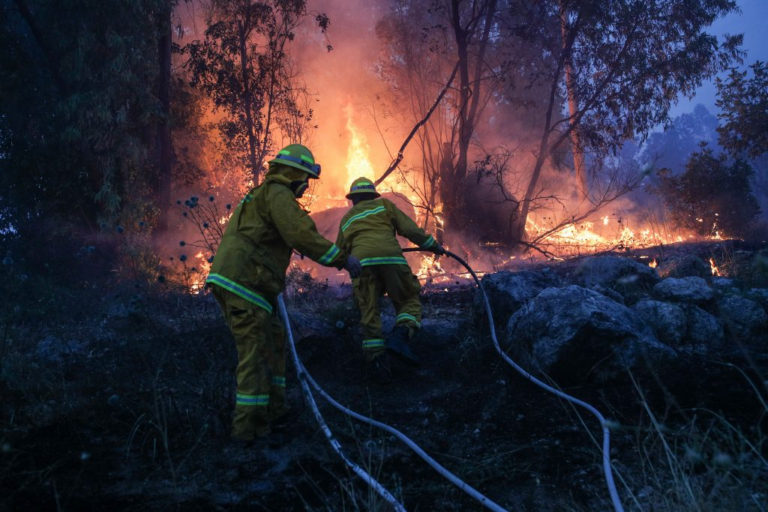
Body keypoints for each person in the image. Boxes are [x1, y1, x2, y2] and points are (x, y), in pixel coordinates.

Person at [206, 144, 362, 445]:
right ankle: (245, 434)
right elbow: (300, 233)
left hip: (249, 283)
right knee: (255, 353)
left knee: (274, 341)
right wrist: (342, 259)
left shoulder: (265, 194)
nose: (306, 187)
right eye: (305, 179)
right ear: (294, 174)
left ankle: (273, 415)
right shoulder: (278, 194)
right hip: (245, 283)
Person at [335, 177, 444, 382]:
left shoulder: (346, 219)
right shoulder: (384, 205)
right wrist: (432, 245)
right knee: (408, 300)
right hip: (392, 260)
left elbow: (340, 252)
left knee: (369, 310)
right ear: (373, 196)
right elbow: (409, 229)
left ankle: (377, 365)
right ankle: (400, 337)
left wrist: (347, 263)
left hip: (363, 265)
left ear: (353, 199)